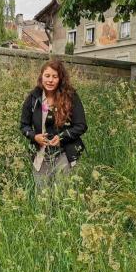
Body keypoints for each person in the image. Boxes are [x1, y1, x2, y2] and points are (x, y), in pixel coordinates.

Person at [20, 59, 87, 189]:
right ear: (41, 77)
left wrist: (62, 137)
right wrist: (34, 137)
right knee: (42, 193)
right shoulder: (33, 97)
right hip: (41, 153)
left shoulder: (71, 96)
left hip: (65, 153)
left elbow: (81, 125)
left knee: (62, 193)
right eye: (47, 76)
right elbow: (24, 125)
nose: (50, 80)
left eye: (54, 76)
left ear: (60, 78)